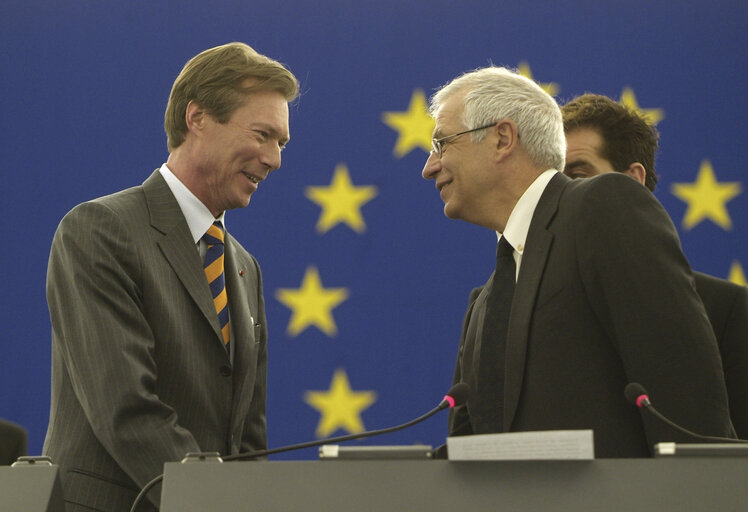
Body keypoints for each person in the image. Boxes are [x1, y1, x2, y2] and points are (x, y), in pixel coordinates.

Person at [421, 66, 734, 457]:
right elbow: (469, 455)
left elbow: (685, 400)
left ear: (502, 138)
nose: (429, 167)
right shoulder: (483, 304)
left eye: (442, 143)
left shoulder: (602, 205)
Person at [43, 42, 298, 511]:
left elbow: (246, 436)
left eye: (281, 143)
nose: (274, 159)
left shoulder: (244, 267)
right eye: (262, 135)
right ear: (197, 118)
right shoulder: (99, 230)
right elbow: (125, 408)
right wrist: (215, 505)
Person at [561, 93, 748, 438]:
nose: (561, 195)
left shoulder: (727, 309)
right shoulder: (520, 302)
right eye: (554, 181)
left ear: (633, 179)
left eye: (577, 175)